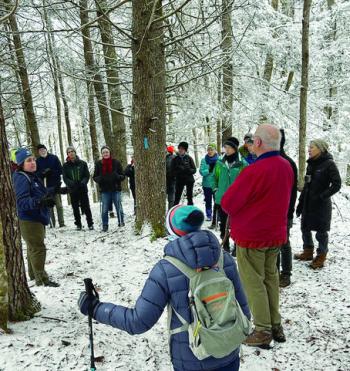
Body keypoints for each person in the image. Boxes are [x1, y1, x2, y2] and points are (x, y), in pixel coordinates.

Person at [78, 205, 251, 371]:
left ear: (173, 232)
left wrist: (95, 308)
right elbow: (244, 311)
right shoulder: (224, 260)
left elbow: (137, 322)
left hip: (191, 360)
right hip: (229, 353)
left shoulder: (165, 269)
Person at [221, 124, 293, 347]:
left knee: (254, 284)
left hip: (253, 236)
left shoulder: (253, 171)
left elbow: (228, 203)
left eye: (253, 140)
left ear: (259, 143)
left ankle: (263, 330)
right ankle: (275, 324)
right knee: (270, 279)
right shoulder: (286, 166)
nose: (250, 144)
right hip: (275, 235)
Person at [12, 148, 59, 287]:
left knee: (32, 247)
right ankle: (42, 279)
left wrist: (55, 191)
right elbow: (21, 202)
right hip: (29, 219)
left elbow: (40, 192)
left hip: (36, 217)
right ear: (21, 164)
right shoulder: (21, 177)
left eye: (33, 159)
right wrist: (40, 202)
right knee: (38, 247)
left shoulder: (32, 176)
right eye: (28, 161)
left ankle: (33, 274)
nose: (33, 162)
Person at [294, 139, 341, 269]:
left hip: (321, 205)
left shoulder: (329, 164)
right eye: (308, 147)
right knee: (305, 228)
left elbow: (337, 184)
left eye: (312, 147)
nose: (309, 149)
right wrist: (300, 202)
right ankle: (308, 251)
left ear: (320, 149)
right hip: (308, 202)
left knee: (321, 231)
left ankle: (321, 255)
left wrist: (322, 196)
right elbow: (306, 185)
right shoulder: (311, 164)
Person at [212, 137, 247, 252]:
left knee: (237, 224)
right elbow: (214, 177)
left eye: (228, 147)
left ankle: (237, 248)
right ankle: (225, 245)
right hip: (222, 198)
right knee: (223, 224)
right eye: (225, 147)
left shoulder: (242, 164)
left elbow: (247, 181)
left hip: (237, 200)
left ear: (234, 148)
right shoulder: (220, 163)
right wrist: (216, 189)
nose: (226, 149)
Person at [277, 130, 298, 287]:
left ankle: (286, 273)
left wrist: (288, 213)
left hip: (284, 212)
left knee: (284, 242)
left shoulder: (287, 162)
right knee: (271, 244)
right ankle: (274, 271)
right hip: (270, 213)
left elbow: (291, 191)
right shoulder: (268, 160)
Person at [93, 145, 125, 231]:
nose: (105, 154)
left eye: (107, 152)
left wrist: (117, 176)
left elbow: (123, 176)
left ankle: (121, 222)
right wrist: (100, 179)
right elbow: (95, 177)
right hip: (105, 190)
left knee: (119, 207)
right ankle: (105, 225)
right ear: (101, 154)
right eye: (103, 152)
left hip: (116, 189)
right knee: (104, 209)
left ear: (109, 152)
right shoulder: (99, 164)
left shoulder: (116, 162)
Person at [62, 146, 94, 230]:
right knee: (75, 207)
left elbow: (86, 175)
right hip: (73, 189)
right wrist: (71, 183)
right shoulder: (65, 166)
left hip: (82, 188)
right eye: (69, 152)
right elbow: (65, 178)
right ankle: (78, 224)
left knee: (86, 206)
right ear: (67, 154)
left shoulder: (82, 163)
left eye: (72, 151)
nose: (71, 153)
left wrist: (83, 182)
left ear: (75, 152)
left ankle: (90, 223)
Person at [36, 144, 65, 228]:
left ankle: (62, 223)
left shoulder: (54, 158)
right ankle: (52, 224)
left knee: (59, 205)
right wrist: (42, 173)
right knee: (49, 206)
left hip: (55, 185)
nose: (42, 151)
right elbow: (36, 174)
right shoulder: (37, 161)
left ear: (46, 149)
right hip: (45, 187)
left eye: (43, 149)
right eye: (40, 150)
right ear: (38, 152)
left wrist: (51, 172)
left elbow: (60, 170)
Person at [199, 143, 219, 222]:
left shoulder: (219, 160)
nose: (210, 151)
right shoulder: (204, 160)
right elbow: (201, 172)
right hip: (206, 184)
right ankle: (209, 215)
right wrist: (209, 170)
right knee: (208, 200)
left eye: (211, 149)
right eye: (208, 150)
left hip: (216, 184)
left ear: (215, 150)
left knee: (217, 200)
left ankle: (217, 216)